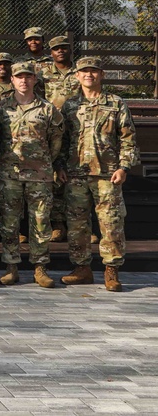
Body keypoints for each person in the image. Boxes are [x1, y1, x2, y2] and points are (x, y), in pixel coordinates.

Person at [60, 57, 139, 292]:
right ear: (76, 76)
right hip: (76, 173)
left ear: (101, 75)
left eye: (93, 71)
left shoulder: (115, 103)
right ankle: (81, 268)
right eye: (84, 71)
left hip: (107, 173)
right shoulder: (69, 106)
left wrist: (124, 167)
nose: (89, 75)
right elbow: (62, 141)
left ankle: (111, 269)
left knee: (111, 222)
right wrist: (60, 166)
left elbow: (128, 138)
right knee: (77, 224)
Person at [0, 60, 64, 288]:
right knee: (9, 222)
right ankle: (11, 267)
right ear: (12, 80)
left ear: (35, 79)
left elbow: (56, 140)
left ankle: (40, 267)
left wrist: (45, 162)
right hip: (10, 173)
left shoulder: (47, 109)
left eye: (28, 77)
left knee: (41, 222)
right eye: (19, 77)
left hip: (39, 174)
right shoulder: (1, 109)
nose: (24, 80)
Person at [40, 35, 81, 241]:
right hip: (52, 128)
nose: (61, 51)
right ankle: (57, 223)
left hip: (77, 128)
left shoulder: (79, 72)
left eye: (64, 48)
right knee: (55, 174)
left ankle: (77, 223)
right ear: (51, 53)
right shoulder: (43, 73)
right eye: (57, 49)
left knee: (76, 176)